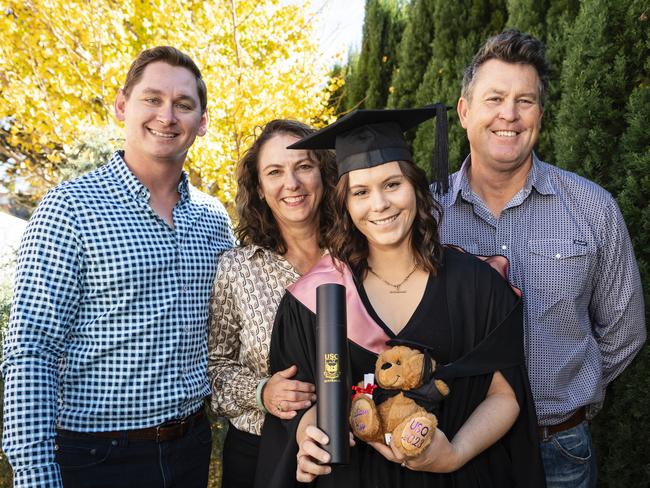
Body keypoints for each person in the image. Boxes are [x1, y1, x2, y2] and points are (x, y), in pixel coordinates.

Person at [255, 106, 545, 487]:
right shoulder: (315, 299)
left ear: (415, 187)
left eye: (392, 184)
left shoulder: (476, 285)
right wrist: (307, 432)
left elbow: (505, 396)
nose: (380, 205)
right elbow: (303, 403)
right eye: (361, 192)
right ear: (344, 203)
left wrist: (453, 453)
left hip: (460, 475)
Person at [1, 46, 235, 488]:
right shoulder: (70, 208)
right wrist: (34, 474)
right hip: (97, 458)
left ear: (201, 123)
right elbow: (32, 349)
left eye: (183, 104)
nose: (167, 116)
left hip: (191, 447)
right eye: (152, 99)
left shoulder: (213, 218)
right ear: (122, 105)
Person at [438, 29, 646, 488]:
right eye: (494, 98)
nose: (509, 114)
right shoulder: (427, 216)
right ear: (464, 111)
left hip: (560, 450)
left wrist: (572, 393)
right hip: (454, 448)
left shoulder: (592, 208)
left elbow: (624, 329)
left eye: (525, 101)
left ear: (540, 115)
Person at [207, 119, 337, 488]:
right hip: (258, 451)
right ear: (260, 188)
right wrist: (261, 392)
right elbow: (214, 367)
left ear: (324, 174)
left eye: (304, 166)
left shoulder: (356, 256)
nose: (291, 184)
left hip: (349, 447)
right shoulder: (237, 269)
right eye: (275, 172)